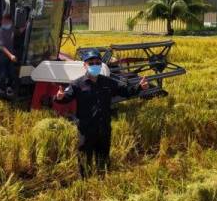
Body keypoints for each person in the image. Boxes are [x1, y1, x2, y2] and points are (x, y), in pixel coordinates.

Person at [55, 49, 148, 178]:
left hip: (104, 127)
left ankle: (102, 179)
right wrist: (59, 97)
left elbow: (125, 91)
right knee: (84, 158)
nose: (94, 65)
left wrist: (139, 87)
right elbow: (66, 98)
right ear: (85, 65)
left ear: (101, 65)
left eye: (97, 62)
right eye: (91, 63)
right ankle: (85, 181)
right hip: (86, 129)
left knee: (103, 158)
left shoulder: (108, 82)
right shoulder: (77, 84)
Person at [0, 13, 18, 98]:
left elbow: (18, 32)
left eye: (6, 21)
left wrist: (27, 24)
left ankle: (9, 87)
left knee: (12, 73)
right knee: (3, 73)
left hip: (9, 58)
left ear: (10, 21)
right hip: (1, 58)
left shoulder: (11, 29)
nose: (3, 22)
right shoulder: (0, 32)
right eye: (3, 21)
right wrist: (11, 55)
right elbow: (2, 47)